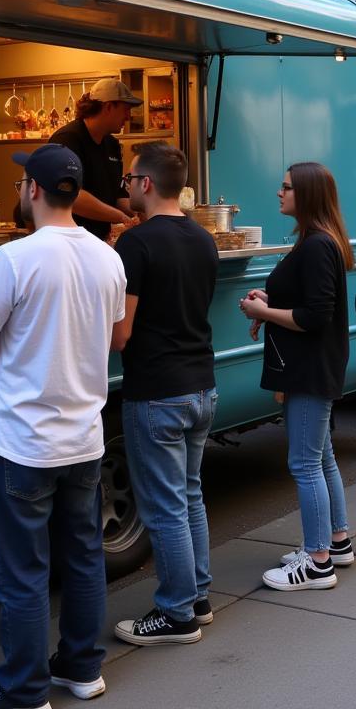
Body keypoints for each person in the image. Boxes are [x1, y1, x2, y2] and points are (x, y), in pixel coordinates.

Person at [0, 145, 126, 709]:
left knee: (22, 574)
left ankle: (23, 692)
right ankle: (81, 669)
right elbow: (117, 333)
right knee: (82, 557)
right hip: (84, 439)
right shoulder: (107, 257)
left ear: (31, 190)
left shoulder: (15, 257)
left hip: (22, 443)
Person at [111, 142, 219, 645]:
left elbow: (122, 334)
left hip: (156, 390)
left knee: (164, 506)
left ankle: (176, 613)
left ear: (147, 184)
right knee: (189, 495)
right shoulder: (203, 238)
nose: (128, 188)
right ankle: (197, 596)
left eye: (130, 180)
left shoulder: (135, 245)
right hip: (201, 385)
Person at [240, 162, 354, 590]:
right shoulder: (317, 242)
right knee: (321, 457)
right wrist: (269, 300)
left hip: (308, 369)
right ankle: (336, 541)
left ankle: (317, 560)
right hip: (312, 366)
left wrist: (263, 311)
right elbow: (307, 300)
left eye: (285, 187)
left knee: (305, 463)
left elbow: (314, 316)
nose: (278, 193)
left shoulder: (316, 245)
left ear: (306, 195)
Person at [50, 78, 142, 241]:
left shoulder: (112, 144)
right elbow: (71, 195)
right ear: (108, 107)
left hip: (99, 240)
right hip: (68, 240)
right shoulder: (67, 139)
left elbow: (118, 195)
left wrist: (143, 214)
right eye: (126, 109)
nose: (128, 117)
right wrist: (121, 217)